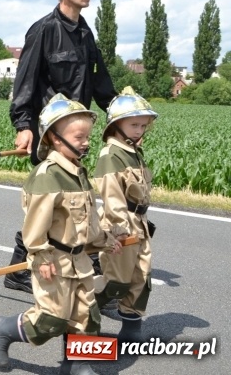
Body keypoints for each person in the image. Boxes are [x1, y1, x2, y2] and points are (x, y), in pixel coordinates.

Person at [0, 94, 122, 374]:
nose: (86, 141)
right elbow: (35, 227)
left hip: (80, 262)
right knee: (51, 320)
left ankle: (78, 365)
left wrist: (106, 241)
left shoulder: (79, 173)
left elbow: (87, 221)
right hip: (55, 261)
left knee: (87, 316)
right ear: (55, 137)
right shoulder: (47, 175)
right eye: (79, 136)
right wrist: (39, 256)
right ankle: (3, 328)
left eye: (88, 135)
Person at [5, 0, 117, 294]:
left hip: (76, 131)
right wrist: (24, 124)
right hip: (51, 132)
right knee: (51, 199)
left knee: (74, 196)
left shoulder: (85, 32)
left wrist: (119, 110)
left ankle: (80, 254)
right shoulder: (43, 30)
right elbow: (25, 81)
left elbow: (98, 80)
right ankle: (22, 268)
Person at [93, 87, 157, 343]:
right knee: (117, 281)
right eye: (134, 125)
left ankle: (131, 331)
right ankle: (83, 310)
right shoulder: (111, 154)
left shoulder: (133, 152)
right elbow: (112, 197)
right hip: (120, 222)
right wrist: (119, 229)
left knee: (142, 276)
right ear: (116, 125)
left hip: (139, 222)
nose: (140, 130)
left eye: (143, 125)